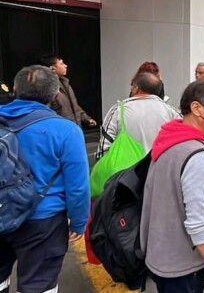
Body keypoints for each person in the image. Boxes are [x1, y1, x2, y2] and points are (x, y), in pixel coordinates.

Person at [0, 65, 90, 293]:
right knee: (38, 285)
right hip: (43, 221)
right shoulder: (66, 131)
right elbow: (77, 187)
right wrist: (78, 222)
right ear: (54, 94)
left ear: (14, 89)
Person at [140, 80, 204, 293]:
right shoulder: (195, 154)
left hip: (163, 256)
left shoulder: (170, 139)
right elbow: (199, 221)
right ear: (197, 108)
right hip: (182, 265)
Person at [97, 72, 181, 159]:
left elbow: (104, 147)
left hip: (126, 169)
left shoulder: (118, 110)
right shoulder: (172, 112)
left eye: (132, 86)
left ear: (136, 88)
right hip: (160, 167)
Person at [40, 54, 96, 128]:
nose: (65, 66)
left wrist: (86, 118)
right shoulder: (46, 87)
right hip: (59, 130)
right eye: (61, 64)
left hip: (73, 129)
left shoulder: (65, 83)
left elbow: (74, 106)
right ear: (53, 68)